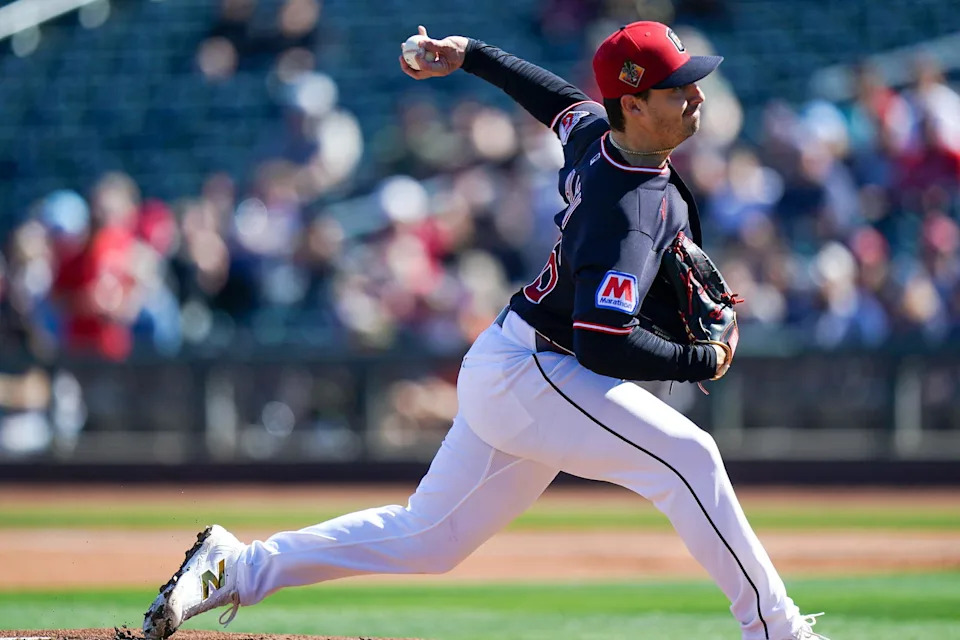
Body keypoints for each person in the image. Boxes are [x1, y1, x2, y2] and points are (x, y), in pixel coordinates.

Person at [143, 21, 830, 640]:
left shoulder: (598, 137)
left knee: (428, 538)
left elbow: (553, 96)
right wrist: (700, 359)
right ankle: (779, 632)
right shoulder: (626, 210)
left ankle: (237, 567)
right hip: (542, 371)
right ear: (635, 104)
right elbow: (602, 341)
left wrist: (468, 53)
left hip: (518, 362)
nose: (696, 96)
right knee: (691, 459)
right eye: (678, 87)